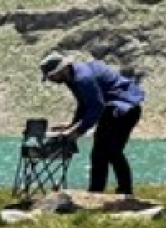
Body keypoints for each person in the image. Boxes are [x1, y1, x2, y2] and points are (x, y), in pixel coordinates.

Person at [40, 50, 146, 196]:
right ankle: (97, 192)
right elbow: (84, 104)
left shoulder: (83, 78)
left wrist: (77, 131)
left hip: (124, 109)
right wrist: (72, 125)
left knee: (112, 150)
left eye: (52, 76)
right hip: (112, 109)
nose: (52, 80)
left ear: (63, 69)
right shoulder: (72, 77)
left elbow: (96, 107)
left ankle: (124, 191)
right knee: (99, 153)